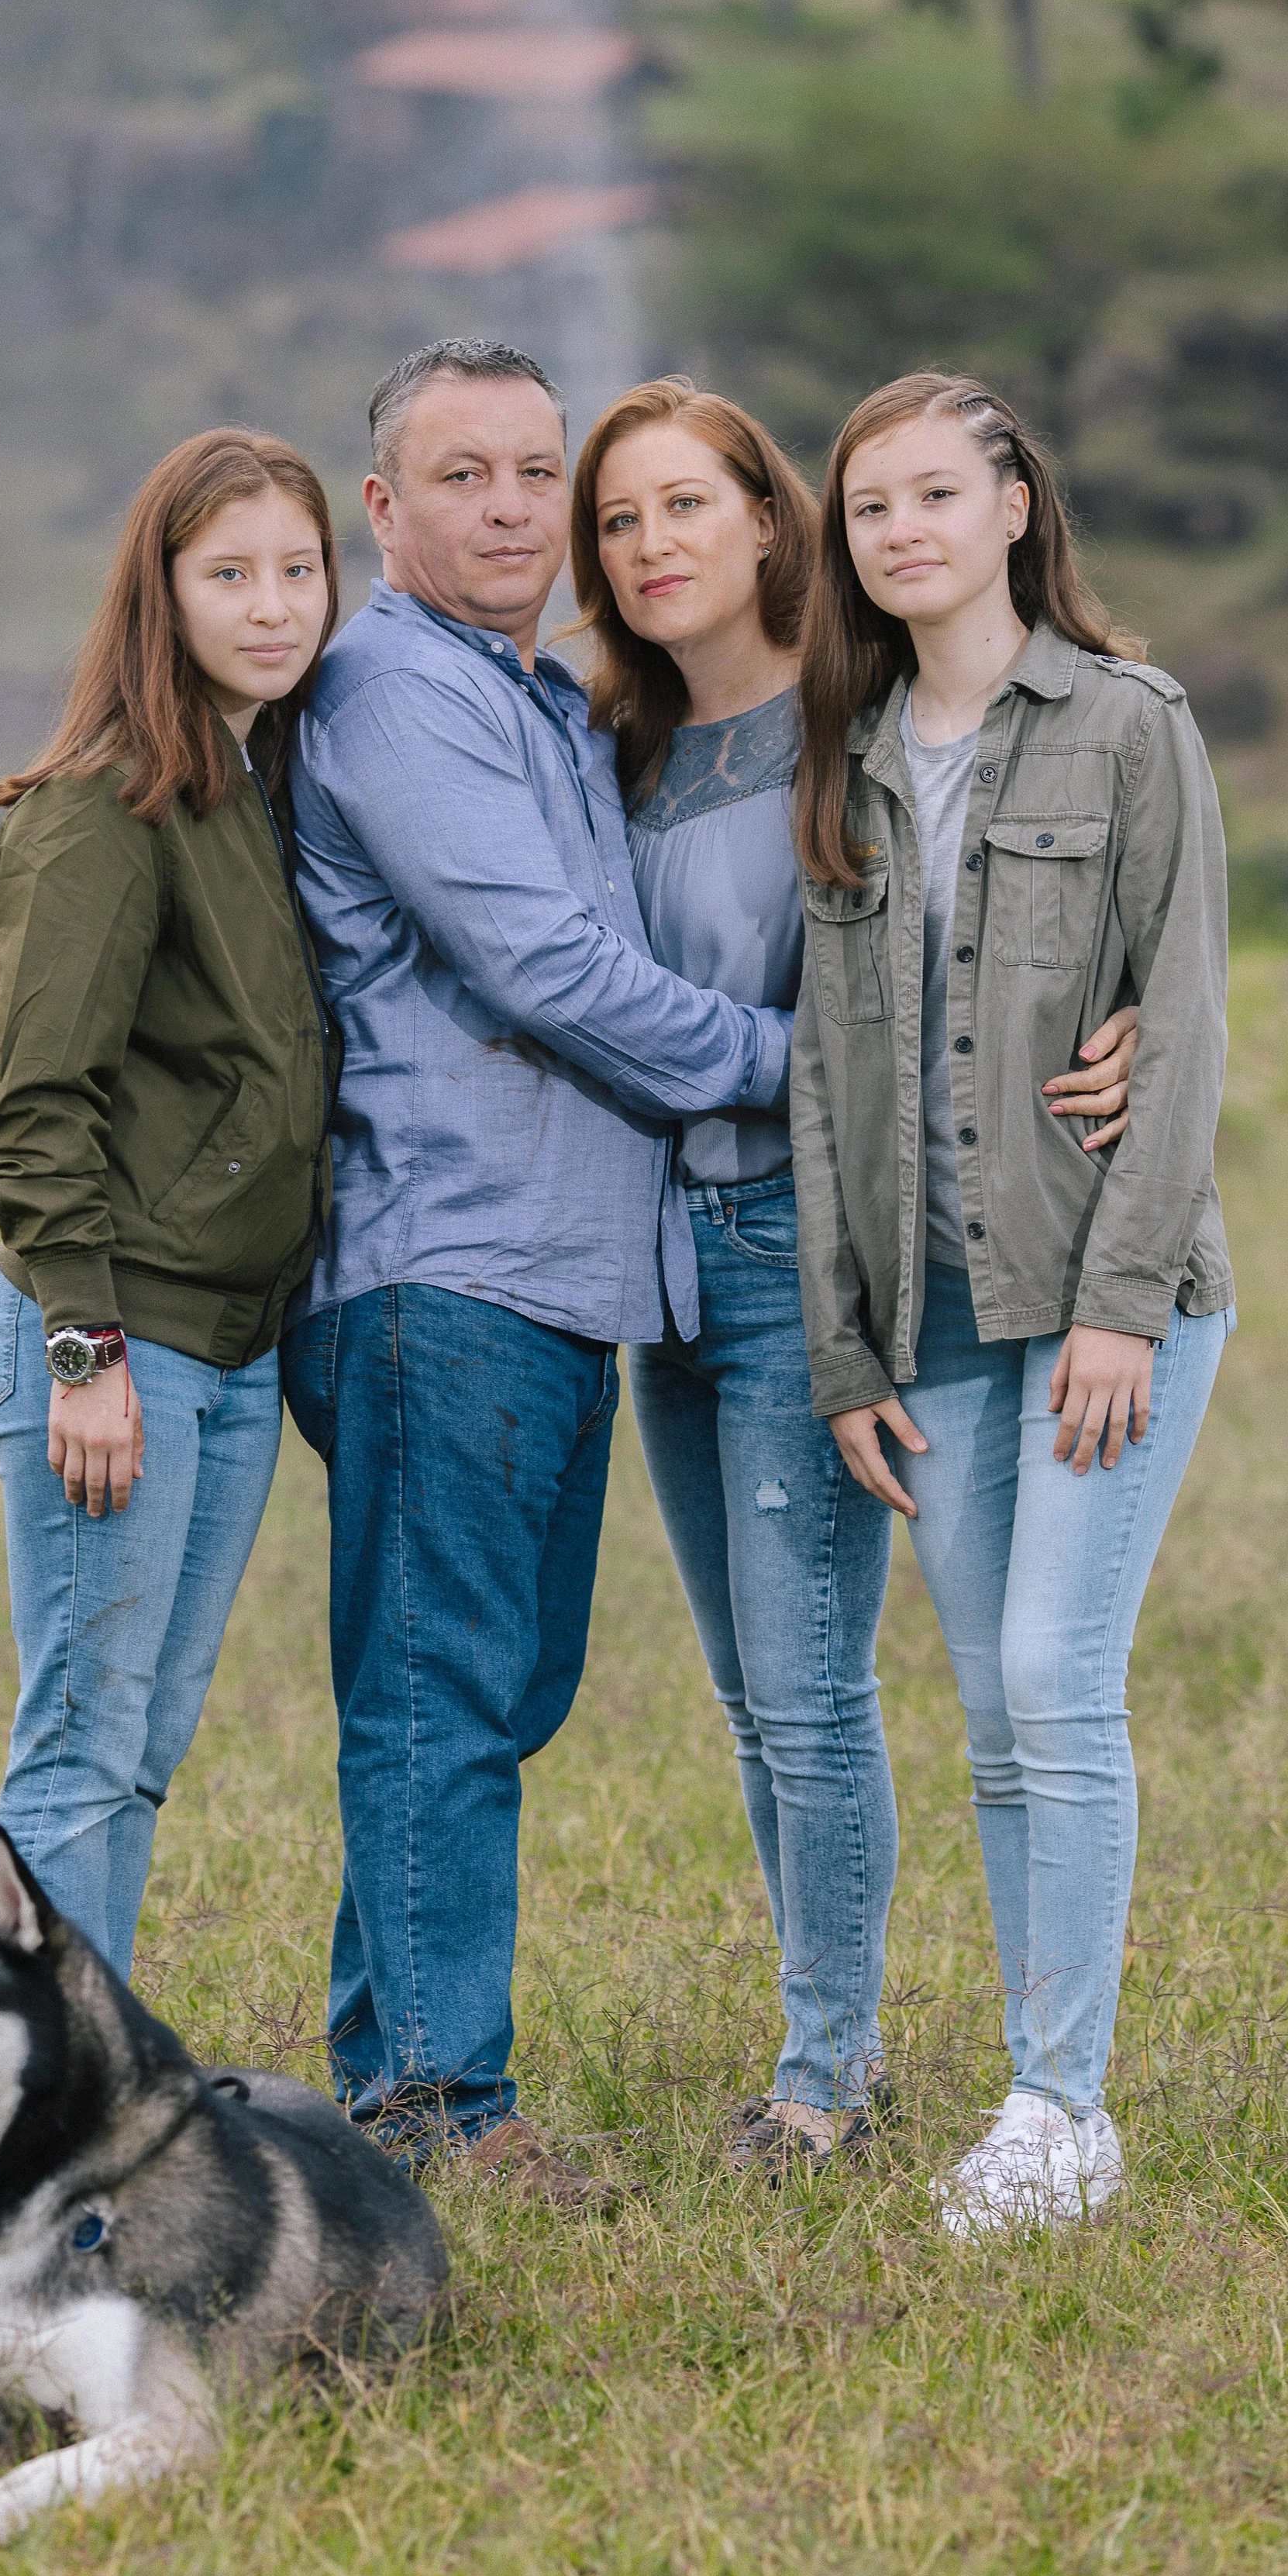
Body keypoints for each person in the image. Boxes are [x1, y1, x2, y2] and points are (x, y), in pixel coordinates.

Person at [573, 375, 1140, 2178]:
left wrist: (1109, 1026)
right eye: (617, 519)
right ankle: (834, 2040)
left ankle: (827, 2081)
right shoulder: (610, 743)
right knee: (751, 1693)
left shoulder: (864, 724)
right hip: (655, 1264)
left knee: (818, 1687)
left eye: (684, 507)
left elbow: (1004, 929)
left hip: (813, 1256)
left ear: (765, 523)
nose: (649, 547)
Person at [281, 338, 804, 2204]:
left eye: (532, 473)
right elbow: (547, 977)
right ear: (381, 509)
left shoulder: (539, 701)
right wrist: (808, 1070)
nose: (508, 509)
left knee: (489, 1690)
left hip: (556, 1278)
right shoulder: (394, 693)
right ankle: (435, 2111)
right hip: (443, 1267)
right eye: (463, 476)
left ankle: (392, 2068)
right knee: (441, 1692)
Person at [791, 369, 1235, 2238]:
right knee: (990, 1714)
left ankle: (1065, 2109)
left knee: (1060, 1680)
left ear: (1009, 511)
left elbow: (1184, 1012)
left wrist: (1122, 1306)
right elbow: (825, 1077)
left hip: (1103, 1296)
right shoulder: (856, 759)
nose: (895, 531)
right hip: (938, 1317)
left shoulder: (1127, 728)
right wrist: (845, 1348)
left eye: (927, 497)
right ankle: (1026, 2085)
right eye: (865, 508)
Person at [0, 429, 341, 1980]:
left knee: (139, 1742)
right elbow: (34, 1113)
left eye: (299, 571)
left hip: (229, 1354)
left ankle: (76, 2101)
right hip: (118, 1351)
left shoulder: (253, 786)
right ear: (161, 593)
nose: (272, 607)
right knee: (77, 1741)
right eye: (229, 574)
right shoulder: (101, 807)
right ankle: (21, 2134)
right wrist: (84, 1356)